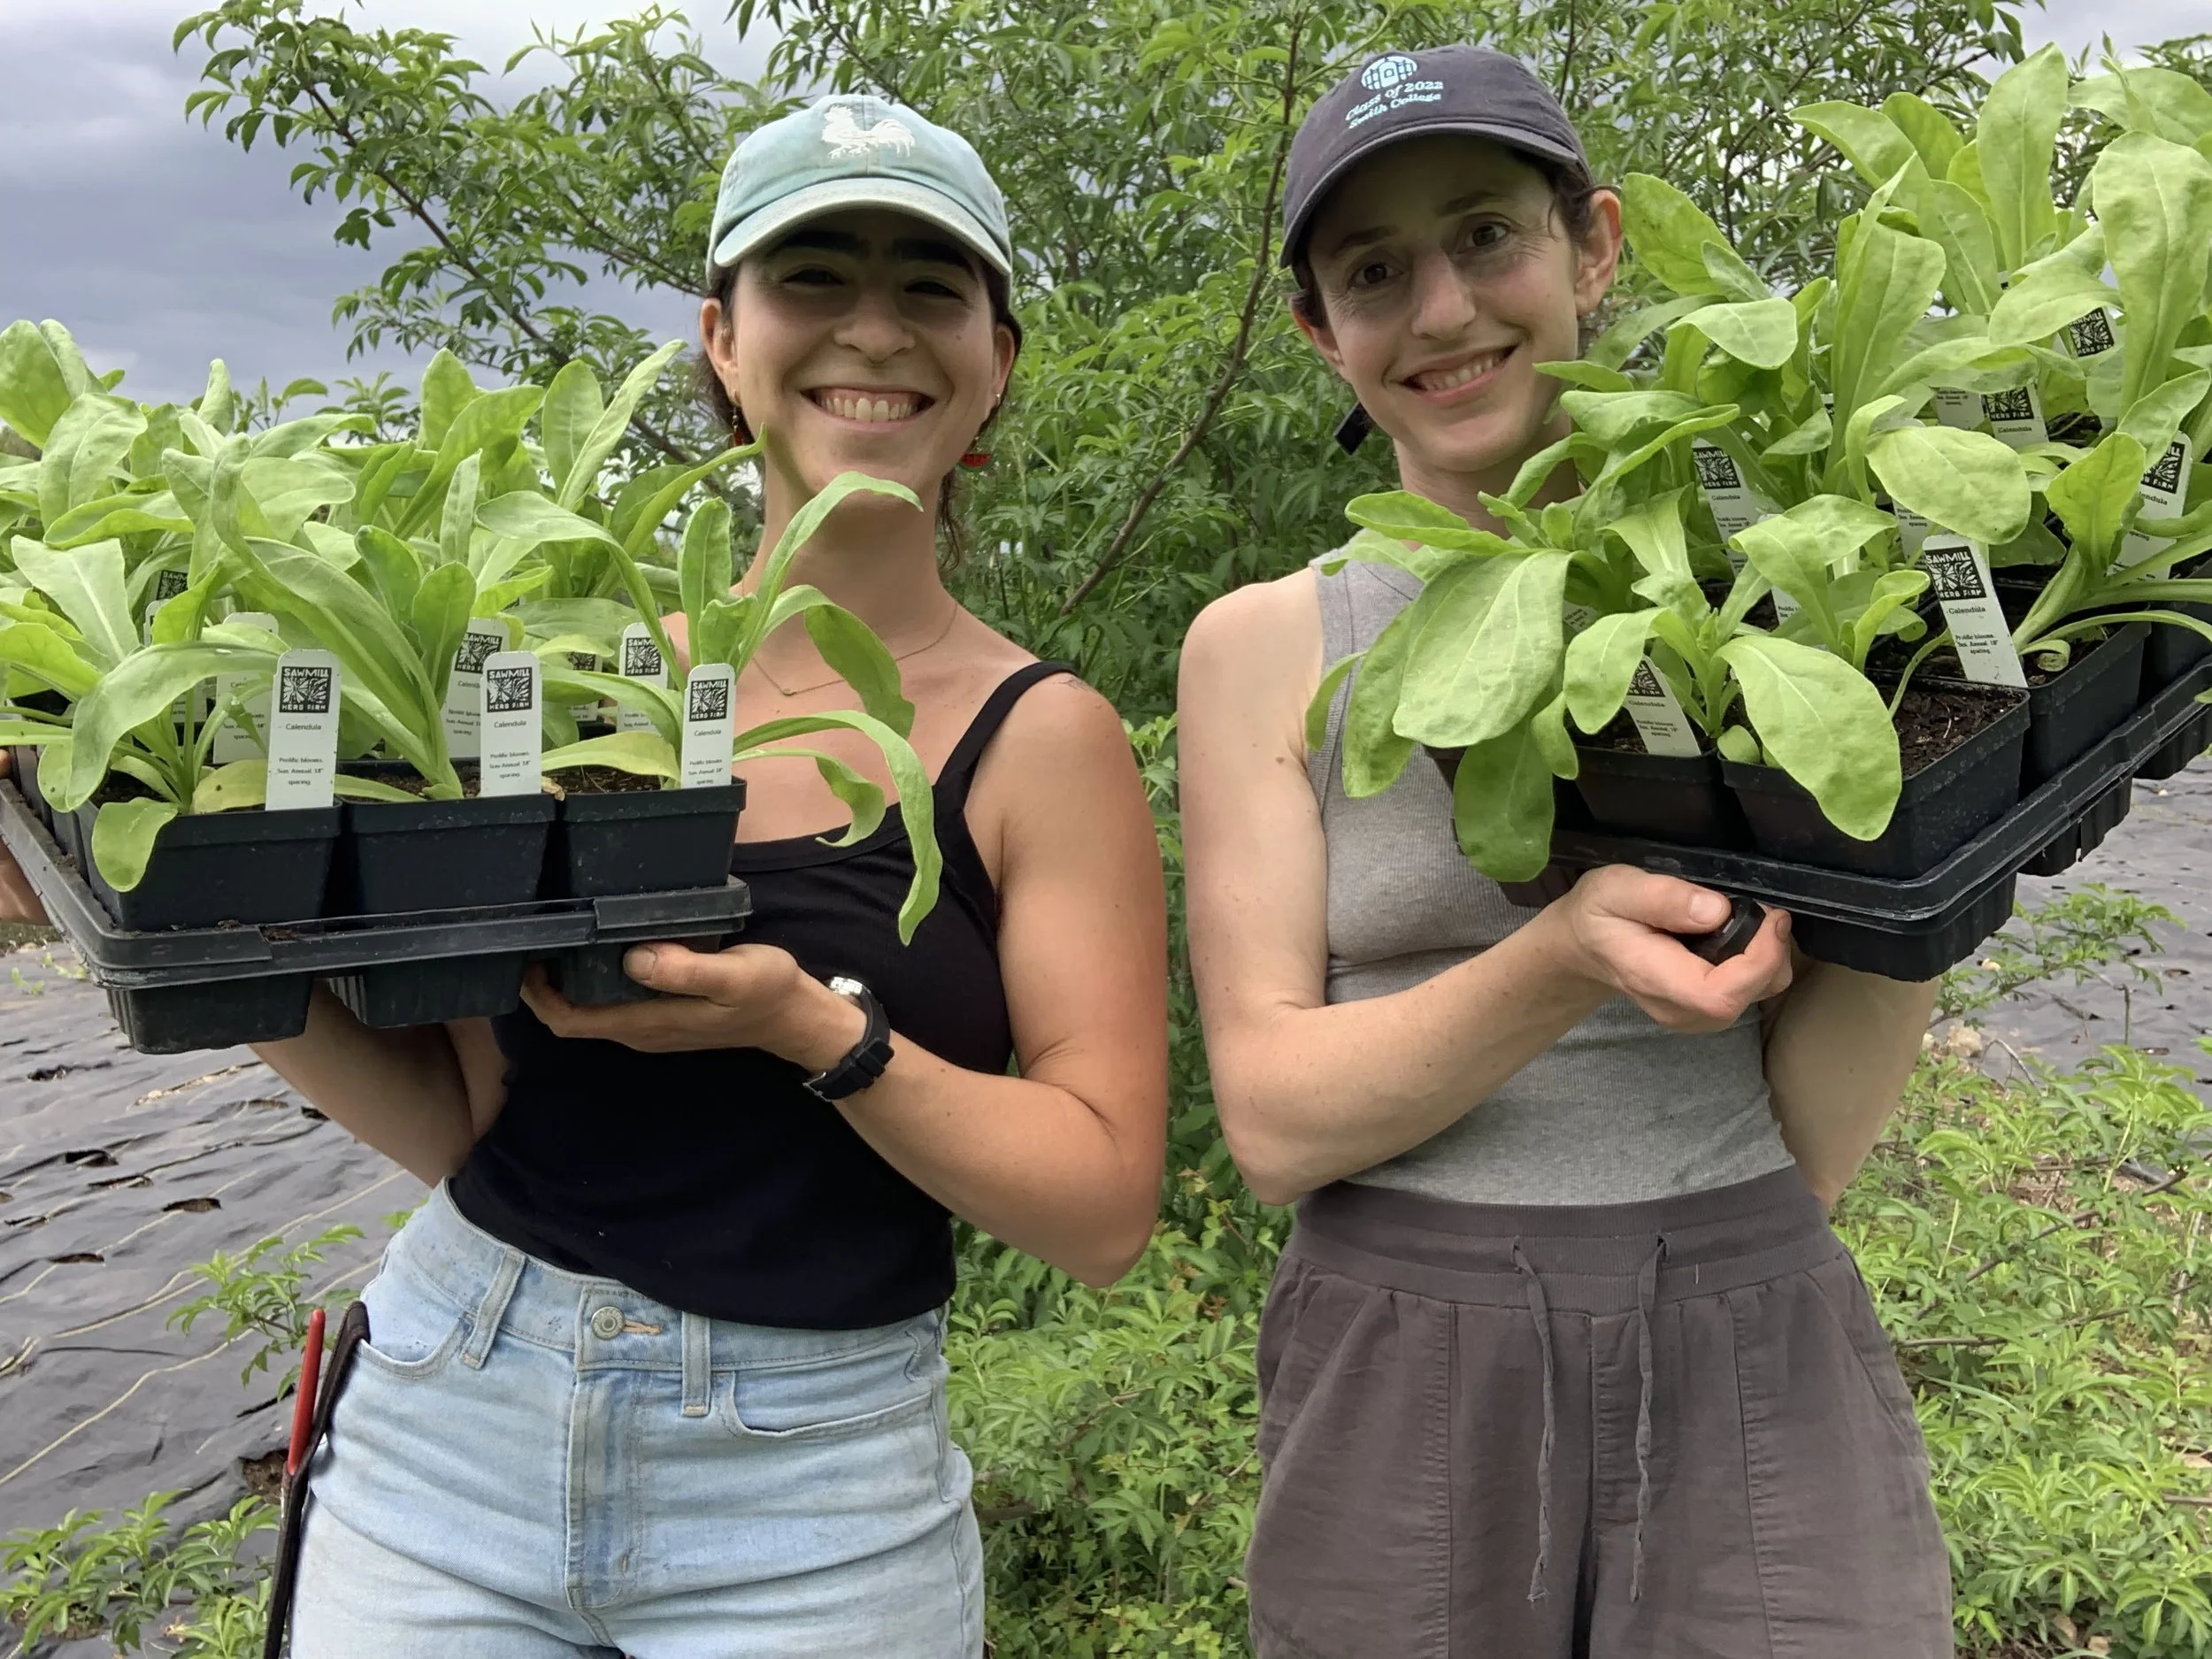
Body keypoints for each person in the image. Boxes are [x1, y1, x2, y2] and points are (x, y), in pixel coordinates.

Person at [0, 93, 1167, 1657]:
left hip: (813, 1498)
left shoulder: (1046, 736)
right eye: (812, 278)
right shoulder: (566, 681)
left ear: (997, 358)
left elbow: (1100, 1209)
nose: (873, 330)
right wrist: (191, 944)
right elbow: (463, 1119)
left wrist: (811, 1033)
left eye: (930, 286)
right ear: (723, 340)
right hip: (451, 1420)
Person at [1177, 47, 1950, 1659]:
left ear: (1593, 247)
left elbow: (1809, 1127)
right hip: (1403, 1333)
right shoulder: (1263, 645)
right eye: (1374, 274)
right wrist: (1559, 954)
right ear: (1323, 336)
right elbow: (1268, 1119)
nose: (1444, 311)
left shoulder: (1771, 588)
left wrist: (1917, 887)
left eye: (1485, 237)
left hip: (1744, 1288)